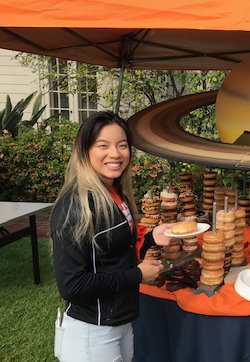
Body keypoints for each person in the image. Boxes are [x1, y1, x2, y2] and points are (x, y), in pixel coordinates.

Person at [51, 111, 171, 362]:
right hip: (92, 333)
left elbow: (113, 253)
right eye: (103, 145)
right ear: (84, 150)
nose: (115, 154)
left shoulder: (115, 193)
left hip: (121, 323)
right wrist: (137, 275)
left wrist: (150, 239)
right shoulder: (75, 206)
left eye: (122, 145)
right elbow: (72, 285)